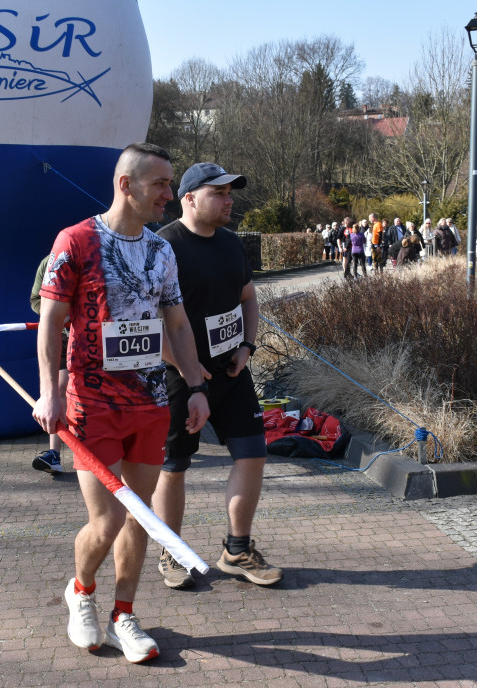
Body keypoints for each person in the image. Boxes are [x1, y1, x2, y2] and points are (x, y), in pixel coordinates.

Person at [32, 142, 210, 664]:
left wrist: (196, 387)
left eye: (171, 184)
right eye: (160, 184)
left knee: (141, 519)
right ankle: (81, 592)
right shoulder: (77, 241)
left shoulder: (161, 251)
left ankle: (124, 614)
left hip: (151, 403)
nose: (170, 194)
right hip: (92, 403)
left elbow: (176, 323)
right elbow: (51, 322)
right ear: (125, 184)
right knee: (108, 519)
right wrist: (50, 391)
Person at [153, 162, 283, 592]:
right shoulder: (161, 248)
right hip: (178, 378)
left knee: (252, 454)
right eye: (219, 194)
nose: (229, 201)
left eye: (231, 193)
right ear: (188, 198)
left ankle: (237, 550)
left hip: (232, 372)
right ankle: (172, 551)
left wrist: (247, 346)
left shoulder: (231, 243)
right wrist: (189, 372)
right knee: (174, 466)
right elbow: (150, 324)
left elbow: (248, 297)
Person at [29, 254, 69, 473]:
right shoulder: (49, 262)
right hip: (62, 335)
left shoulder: (98, 257)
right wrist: (55, 313)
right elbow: (36, 299)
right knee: (60, 387)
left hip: (95, 336)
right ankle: (54, 454)